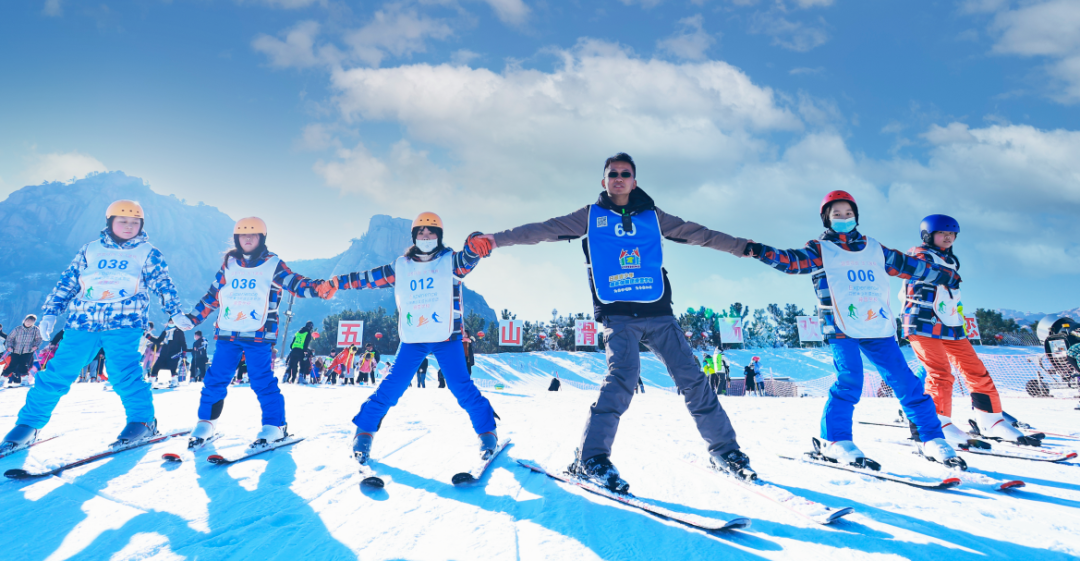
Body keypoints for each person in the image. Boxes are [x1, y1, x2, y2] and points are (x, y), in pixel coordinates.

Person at [478, 153, 756, 490]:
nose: (619, 179)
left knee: (693, 380)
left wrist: (745, 247)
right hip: (617, 313)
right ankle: (591, 458)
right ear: (604, 181)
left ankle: (726, 451)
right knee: (622, 379)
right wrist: (494, 239)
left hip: (658, 312)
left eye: (626, 174)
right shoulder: (589, 216)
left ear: (635, 181)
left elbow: (702, 234)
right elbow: (542, 230)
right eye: (613, 174)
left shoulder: (655, 217)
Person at [743, 190, 965, 468]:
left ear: (856, 216)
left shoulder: (875, 248)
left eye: (848, 214)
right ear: (827, 219)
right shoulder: (820, 249)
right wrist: (760, 251)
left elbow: (911, 266)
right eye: (837, 214)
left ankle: (931, 438)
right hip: (841, 326)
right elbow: (791, 261)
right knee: (850, 381)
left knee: (906, 382)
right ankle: (835, 440)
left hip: (878, 325)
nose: (844, 218)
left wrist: (946, 275)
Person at [1, 200, 190, 454]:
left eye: (134, 222)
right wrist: (50, 313)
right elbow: (68, 282)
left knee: (123, 373)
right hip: (82, 323)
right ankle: (28, 425)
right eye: (122, 221)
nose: (128, 226)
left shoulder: (148, 252)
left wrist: (175, 311)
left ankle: (142, 421)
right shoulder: (90, 249)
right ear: (109, 222)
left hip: (124, 323)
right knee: (56, 373)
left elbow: (162, 283)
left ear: (141, 225)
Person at [334, 212, 499, 465]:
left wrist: (475, 243)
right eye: (421, 232)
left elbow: (468, 258)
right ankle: (364, 433)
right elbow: (367, 278)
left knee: (461, 387)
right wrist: (336, 283)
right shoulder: (401, 266)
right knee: (391, 387)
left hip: (447, 336)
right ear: (414, 236)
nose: (426, 236)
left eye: (431, 232)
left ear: (439, 237)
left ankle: (487, 432)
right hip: (414, 338)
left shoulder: (451, 261)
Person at [182, 217, 335, 449]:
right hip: (228, 331)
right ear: (237, 239)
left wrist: (318, 288)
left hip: (258, 334)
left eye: (253, 235)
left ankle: (275, 426)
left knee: (261, 379)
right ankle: (206, 423)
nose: (248, 239)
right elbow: (213, 295)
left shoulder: (272, 264)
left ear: (262, 239)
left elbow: (295, 283)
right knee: (215, 378)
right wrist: (192, 318)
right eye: (244, 235)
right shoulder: (229, 264)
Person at [901, 215, 1037, 446]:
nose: (948, 238)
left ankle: (991, 420)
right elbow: (919, 267)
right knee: (940, 374)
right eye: (942, 233)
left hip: (950, 323)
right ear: (927, 235)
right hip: (923, 322)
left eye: (952, 234)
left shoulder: (951, 260)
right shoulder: (919, 254)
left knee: (976, 370)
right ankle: (938, 425)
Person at [3, 315, 42, 385]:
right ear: (24, 320)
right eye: (27, 321)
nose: (28, 323)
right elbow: (10, 338)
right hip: (15, 350)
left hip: (28, 350)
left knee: (23, 365)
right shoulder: (18, 329)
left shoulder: (35, 330)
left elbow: (39, 339)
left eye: (31, 322)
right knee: (12, 364)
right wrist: (9, 346)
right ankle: (3, 379)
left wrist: (36, 346)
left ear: (33, 322)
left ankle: (24, 380)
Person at [149, 318, 186, 387]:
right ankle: (151, 381)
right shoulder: (165, 331)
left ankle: (174, 381)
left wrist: (184, 352)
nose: (171, 323)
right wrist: (148, 337)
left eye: (173, 322)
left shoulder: (179, 332)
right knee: (156, 366)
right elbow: (158, 340)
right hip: (164, 352)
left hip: (174, 352)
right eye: (170, 322)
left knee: (173, 367)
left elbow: (183, 343)